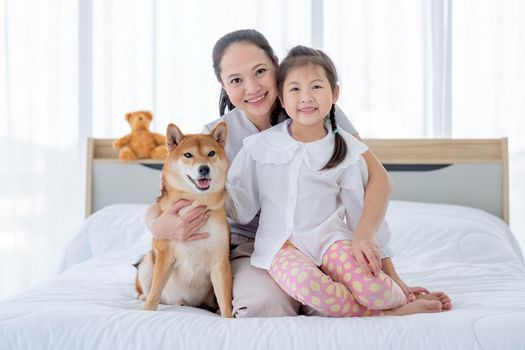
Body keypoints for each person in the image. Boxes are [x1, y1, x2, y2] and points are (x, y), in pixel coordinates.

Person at [146, 30, 451, 317]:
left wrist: (392, 276)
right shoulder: (214, 138)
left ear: (276, 68)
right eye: (236, 80)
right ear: (223, 85)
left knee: (350, 286)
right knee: (266, 305)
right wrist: (158, 225)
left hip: (323, 236)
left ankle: (369, 300)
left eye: (260, 72)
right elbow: (174, 196)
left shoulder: (318, 110)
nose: (252, 88)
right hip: (255, 247)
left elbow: (374, 182)